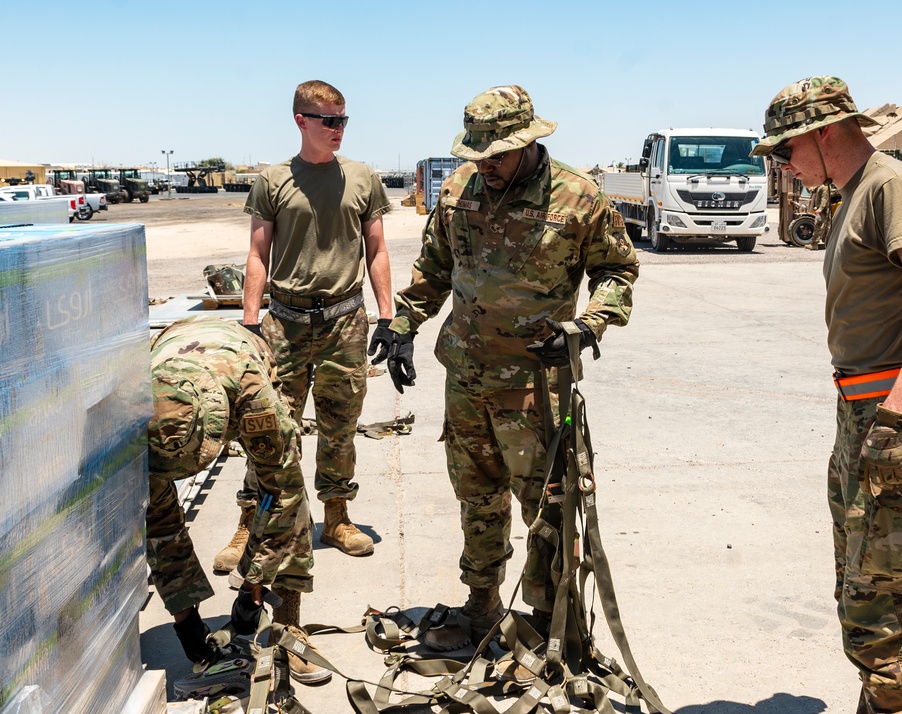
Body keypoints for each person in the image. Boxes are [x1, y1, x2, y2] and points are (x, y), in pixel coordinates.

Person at [374, 85, 639, 652]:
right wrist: (403, 324)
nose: (486, 165)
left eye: (497, 154)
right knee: (476, 495)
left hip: (535, 385)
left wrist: (590, 324)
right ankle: (482, 601)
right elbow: (434, 269)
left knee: (548, 503)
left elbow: (617, 272)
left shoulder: (578, 196)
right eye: (478, 154)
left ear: (528, 143)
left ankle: (552, 618)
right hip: (467, 378)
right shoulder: (458, 189)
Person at [751, 76, 902, 713]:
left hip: (899, 415)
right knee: (865, 593)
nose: (780, 164)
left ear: (823, 133)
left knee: (880, 611)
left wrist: (896, 419)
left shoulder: (891, 187)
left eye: (783, 149)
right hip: (866, 413)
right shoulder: (852, 195)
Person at [234, 79, 394, 559]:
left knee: (340, 426)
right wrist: (249, 325)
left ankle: (337, 519)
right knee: (267, 426)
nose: (338, 129)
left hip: (345, 322)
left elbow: (378, 250)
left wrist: (388, 317)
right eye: (329, 120)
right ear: (301, 120)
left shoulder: (363, 178)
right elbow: (257, 255)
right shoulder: (273, 180)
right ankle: (252, 524)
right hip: (284, 322)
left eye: (343, 119)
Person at [147, 316, 331, 684]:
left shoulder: (254, 398)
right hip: (172, 345)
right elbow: (160, 526)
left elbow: (283, 494)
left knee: (286, 500)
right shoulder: (134, 419)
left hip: (241, 356)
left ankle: (287, 624)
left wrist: (253, 584)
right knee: (153, 507)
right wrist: (185, 619)